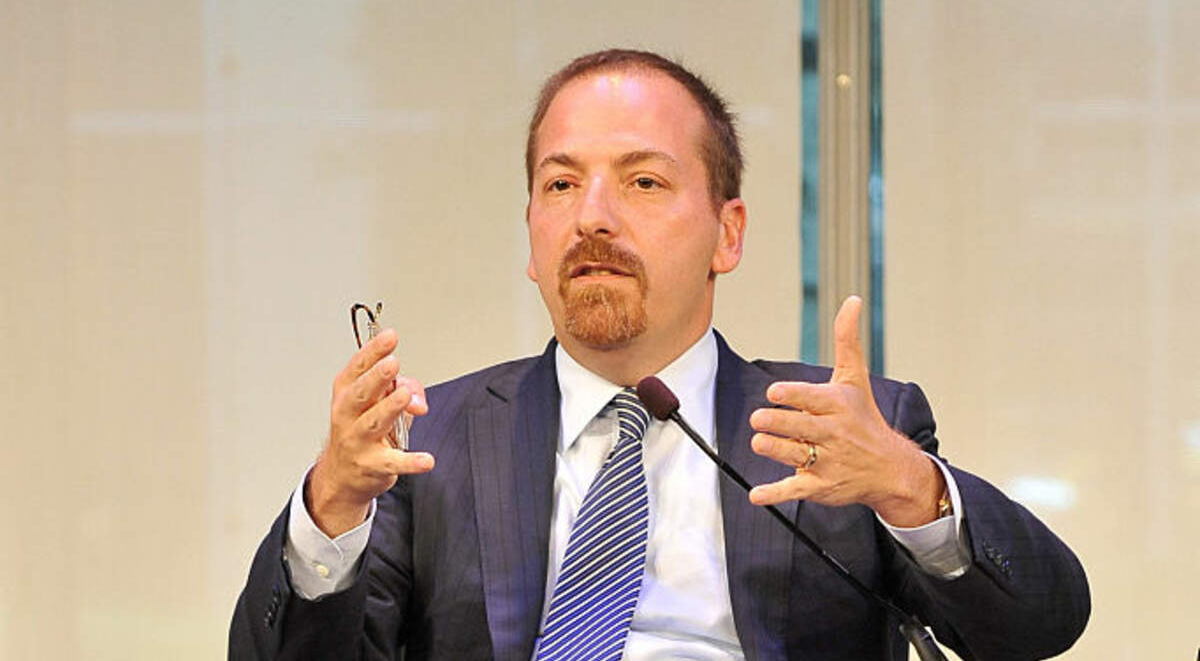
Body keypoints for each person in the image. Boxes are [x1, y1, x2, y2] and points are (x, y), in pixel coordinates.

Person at [229, 49, 1090, 660]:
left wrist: (907, 484)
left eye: (643, 181)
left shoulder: (839, 429)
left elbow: (1040, 623)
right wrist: (331, 503)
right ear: (531, 236)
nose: (592, 217)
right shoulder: (426, 441)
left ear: (728, 232)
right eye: (561, 184)